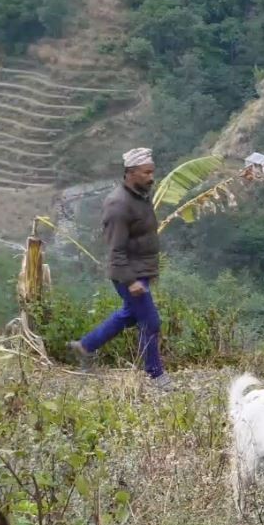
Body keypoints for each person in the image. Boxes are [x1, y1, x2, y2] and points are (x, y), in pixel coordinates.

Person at [71, 147, 171, 389]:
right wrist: (131, 281)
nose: (151, 177)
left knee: (129, 315)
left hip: (140, 270)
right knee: (151, 322)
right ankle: (155, 375)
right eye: (146, 172)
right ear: (131, 172)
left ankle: (85, 346)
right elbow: (115, 250)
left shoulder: (139, 195)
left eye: (152, 172)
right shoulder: (119, 205)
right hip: (129, 274)